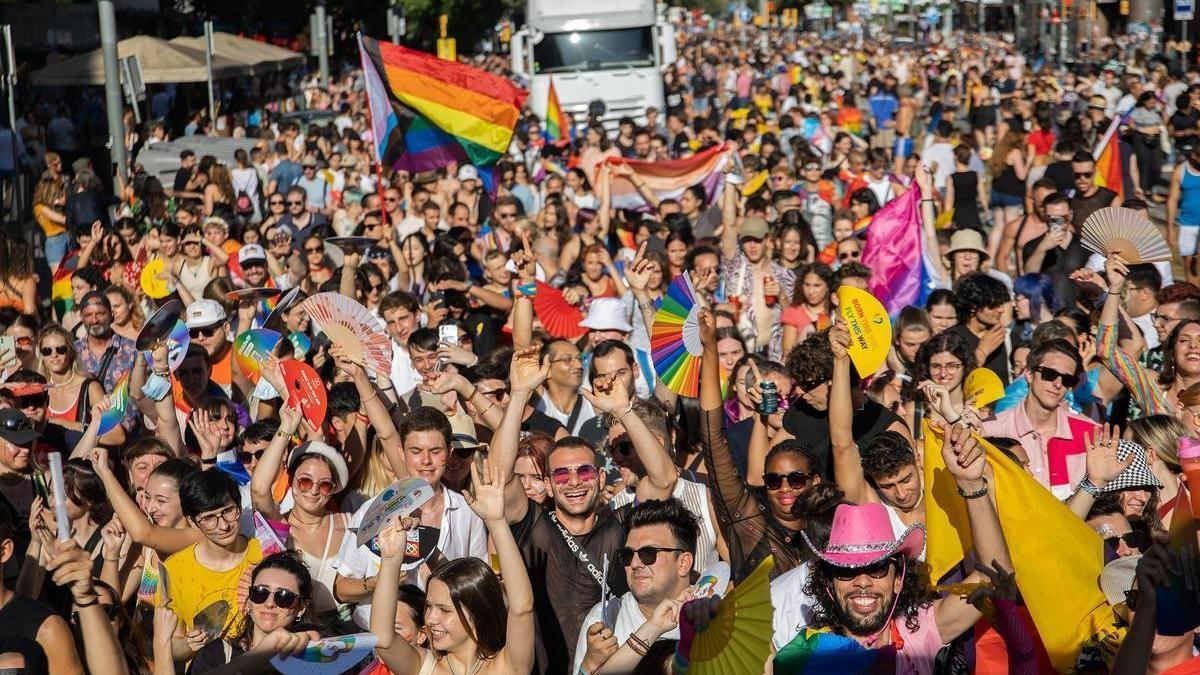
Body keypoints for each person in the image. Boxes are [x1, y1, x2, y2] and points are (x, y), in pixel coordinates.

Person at [369, 455, 534, 675]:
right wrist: (390, 560)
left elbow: (522, 607)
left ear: (478, 611)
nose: (430, 619)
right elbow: (382, 638)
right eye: (429, 606)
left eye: (444, 610)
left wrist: (497, 523)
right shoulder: (424, 667)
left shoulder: (506, 667)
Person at [574, 499, 704, 674]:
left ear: (683, 563)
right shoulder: (605, 618)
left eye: (648, 553)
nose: (634, 563)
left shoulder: (713, 617)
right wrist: (588, 666)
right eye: (627, 554)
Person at [981, 339, 1095, 499]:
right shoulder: (989, 430)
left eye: (1067, 380)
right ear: (1028, 374)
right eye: (1050, 374)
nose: (1058, 384)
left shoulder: (1090, 434)